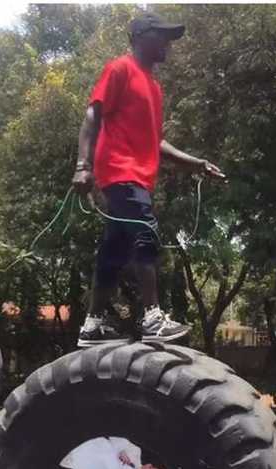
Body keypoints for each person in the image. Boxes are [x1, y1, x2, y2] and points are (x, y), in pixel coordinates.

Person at [72, 13, 225, 346]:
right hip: (119, 170)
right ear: (141, 36)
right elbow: (93, 113)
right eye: (163, 36)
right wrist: (83, 165)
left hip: (138, 178)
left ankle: (92, 326)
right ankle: (153, 318)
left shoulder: (154, 88)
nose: (169, 44)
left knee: (113, 251)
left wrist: (197, 164)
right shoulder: (120, 69)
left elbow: (156, 142)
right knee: (146, 232)